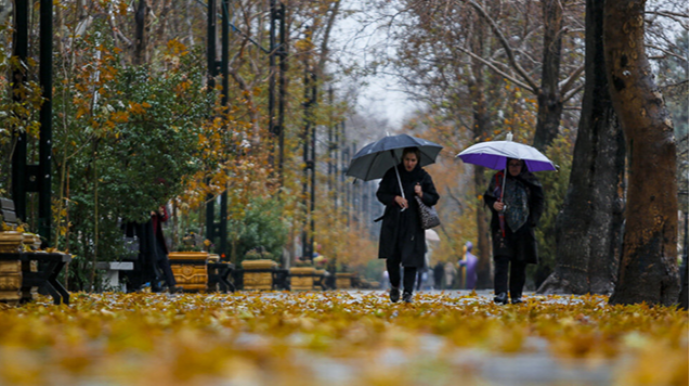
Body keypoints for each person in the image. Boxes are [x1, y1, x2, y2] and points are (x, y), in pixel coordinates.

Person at [377, 147, 440, 304]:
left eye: (413, 160)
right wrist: (395, 199)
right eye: (407, 159)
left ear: (417, 160)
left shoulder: (423, 176)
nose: (410, 163)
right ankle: (395, 285)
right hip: (393, 222)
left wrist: (421, 194)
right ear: (402, 159)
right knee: (392, 258)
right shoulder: (393, 174)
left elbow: (433, 198)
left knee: (411, 260)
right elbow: (381, 194)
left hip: (413, 224)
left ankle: (408, 292)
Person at [484, 158, 544, 305]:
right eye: (511, 164)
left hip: (524, 227)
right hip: (502, 226)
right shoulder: (498, 179)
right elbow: (488, 197)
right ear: (507, 165)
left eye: (518, 165)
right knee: (502, 260)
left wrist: (533, 220)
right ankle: (501, 293)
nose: (515, 168)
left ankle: (516, 294)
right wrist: (494, 205)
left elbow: (539, 201)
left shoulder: (531, 181)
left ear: (522, 165)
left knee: (520, 262)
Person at [151, 205, 181, 293]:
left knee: (162, 259)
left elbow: (164, 218)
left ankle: (171, 284)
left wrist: (161, 213)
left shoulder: (159, 202)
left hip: (155, 235)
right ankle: (156, 284)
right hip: (146, 234)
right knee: (154, 260)